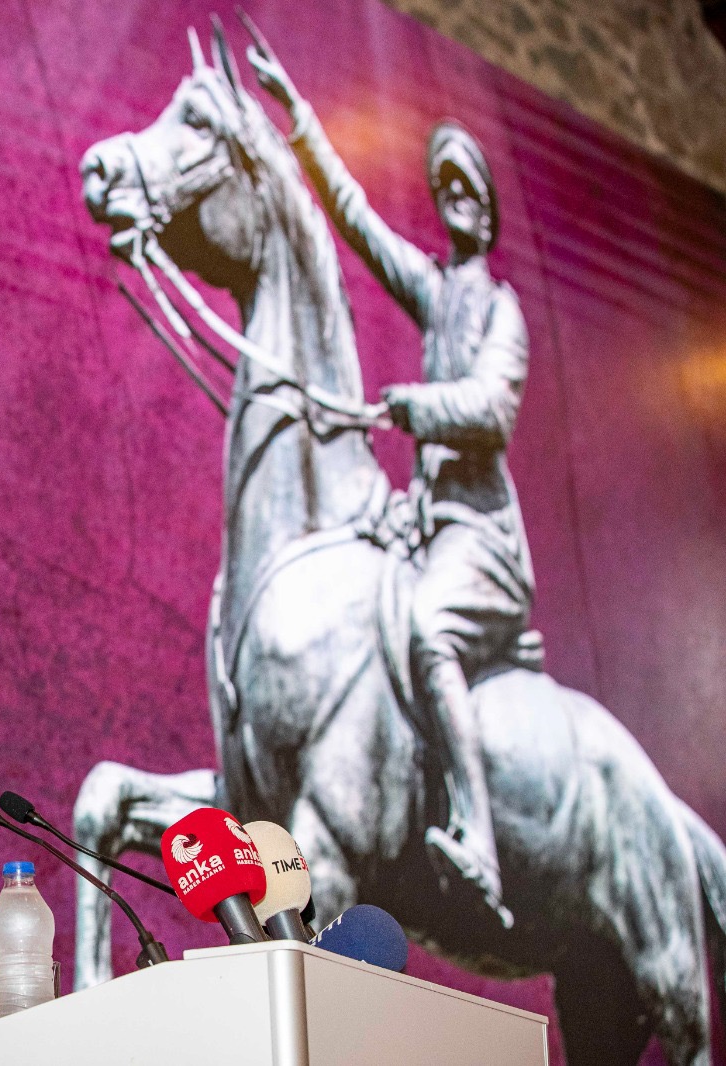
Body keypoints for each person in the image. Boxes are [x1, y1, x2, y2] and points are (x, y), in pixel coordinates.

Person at [249, 38, 534, 928]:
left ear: (488, 209)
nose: (458, 201)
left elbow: (490, 409)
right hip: (427, 526)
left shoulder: (502, 310)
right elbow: (361, 224)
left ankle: (479, 835)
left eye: (470, 190)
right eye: (445, 189)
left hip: (480, 540)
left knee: (426, 630)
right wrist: (302, 123)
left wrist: (414, 405)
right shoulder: (438, 290)